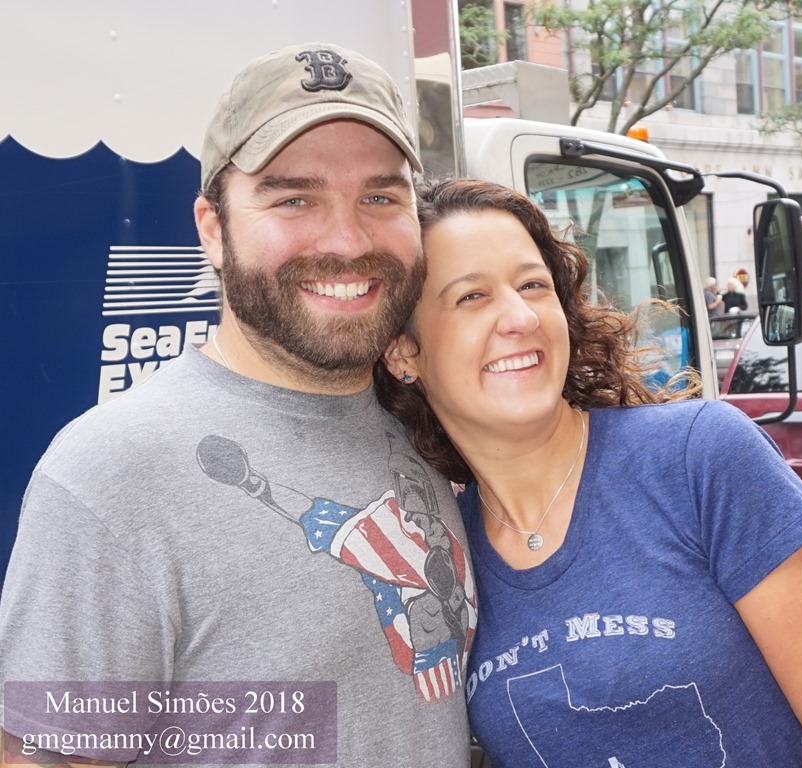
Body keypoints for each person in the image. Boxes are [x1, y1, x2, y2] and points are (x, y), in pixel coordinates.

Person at [0, 44, 476, 767]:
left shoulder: (431, 426)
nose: (348, 240)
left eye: (380, 197)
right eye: (294, 198)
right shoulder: (113, 474)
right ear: (213, 229)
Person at [375, 178, 802, 767]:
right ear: (404, 352)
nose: (519, 316)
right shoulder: (441, 554)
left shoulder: (700, 458)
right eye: (472, 296)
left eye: (533, 285)